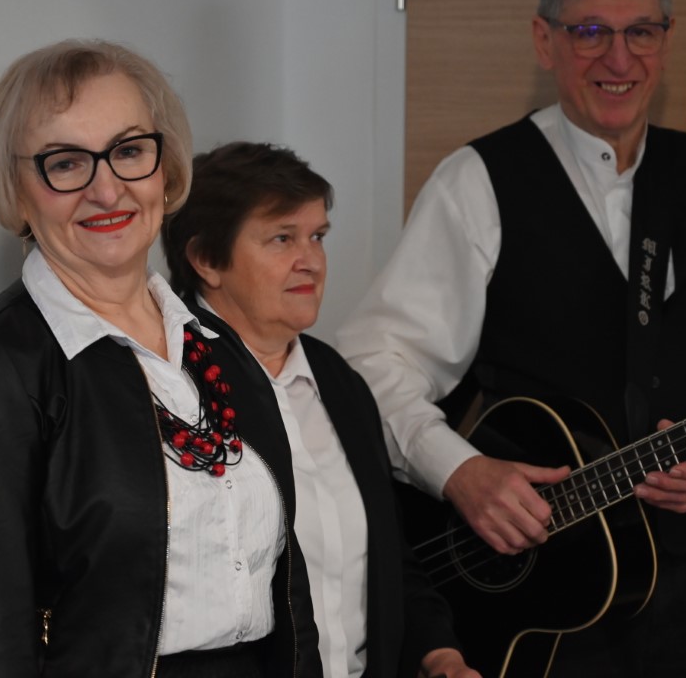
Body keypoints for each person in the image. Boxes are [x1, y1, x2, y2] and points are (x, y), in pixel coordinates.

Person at [337, 0, 686, 677]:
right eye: (590, 31)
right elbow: (374, 361)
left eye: (640, 32)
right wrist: (458, 471)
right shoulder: (477, 180)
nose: (619, 59)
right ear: (545, 39)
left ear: (666, 40)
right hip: (551, 602)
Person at [0, 40, 322, 677]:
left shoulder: (216, 346)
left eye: (128, 151)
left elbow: (286, 589)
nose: (107, 189)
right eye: (65, 162)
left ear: (165, 169)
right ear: (18, 190)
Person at [162, 141, 480, 678]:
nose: (310, 260)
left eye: (318, 237)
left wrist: (440, 654)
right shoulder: (170, 386)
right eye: (282, 238)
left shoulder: (339, 380)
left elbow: (390, 561)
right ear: (207, 260)